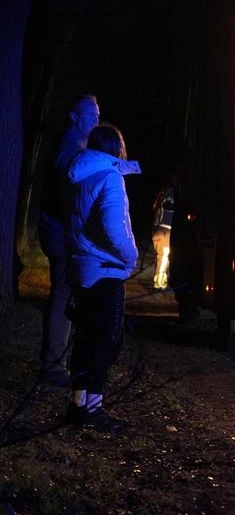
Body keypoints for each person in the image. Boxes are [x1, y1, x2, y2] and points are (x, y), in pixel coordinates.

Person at [64, 123, 140, 430]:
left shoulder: (77, 176)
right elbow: (113, 227)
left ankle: (78, 402)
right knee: (105, 341)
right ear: (116, 149)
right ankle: (94, 410)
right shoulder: (109, 177)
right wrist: (131, 256)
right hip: (105, 271)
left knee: (85, 338)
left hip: (82, 267)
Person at [35, 94, 100, 387]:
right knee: (63, 293)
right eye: (89, 115)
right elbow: (70, 174)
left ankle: (57, 362)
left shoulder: (79, 145)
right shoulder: (71, 146)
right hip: (60, 232)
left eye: (97, 115)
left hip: (62, 230)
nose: (95, 120)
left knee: (66, 293)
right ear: (74, 117)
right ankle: (54, 365)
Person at [150, 179, 176, 289]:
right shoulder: (171, 192)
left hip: (157, 228)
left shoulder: (162, 192)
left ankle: (158, 279)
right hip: (165, 229)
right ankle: (159, 282)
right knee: (164, 256)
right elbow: (169, 205)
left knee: (160, 256)